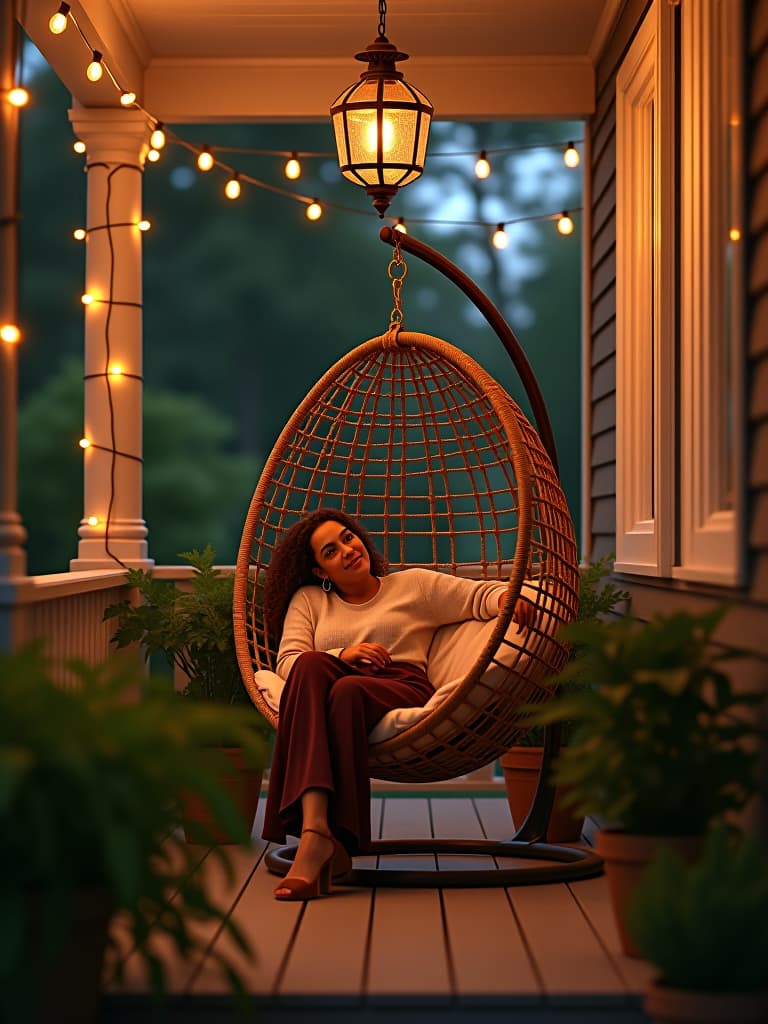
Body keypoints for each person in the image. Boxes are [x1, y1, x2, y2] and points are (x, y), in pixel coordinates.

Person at [261, 508, 534, 901]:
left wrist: (510, 597)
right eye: (330, 551)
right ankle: (318, 831)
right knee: (329, 679)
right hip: (338, 686)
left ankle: (316, 837)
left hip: (400, 684)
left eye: (348, 537)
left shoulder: (413, 586)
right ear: (321, 572)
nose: (347, 550)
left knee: (344, 689)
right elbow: (288, 663)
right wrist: (343, 654)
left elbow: (477, 598)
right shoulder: (309, 601)